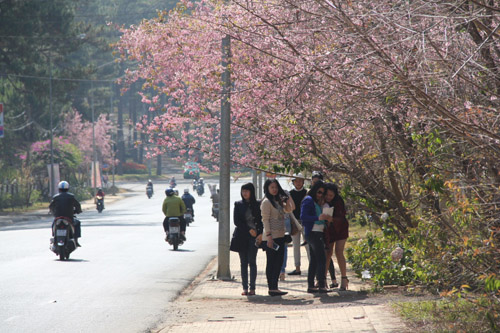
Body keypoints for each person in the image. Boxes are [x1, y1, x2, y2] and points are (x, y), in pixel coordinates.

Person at [261, 178, 294, 296]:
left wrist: (287, 196)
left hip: (280, 235)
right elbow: (265, 220)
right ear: (267, 189)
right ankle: (272, 287)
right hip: (271, 237)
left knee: (279, 262)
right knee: (271, 262)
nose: (274, 190)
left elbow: (290, 209)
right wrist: (269, 237)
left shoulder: (278, 201)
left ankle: (275, 287)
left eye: (276, 187)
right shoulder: (266, 202)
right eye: (272, 188)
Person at [300, 180, 332, 293]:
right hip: (313, 232)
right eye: (319, 192)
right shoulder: (308, 200)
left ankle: (311, 285)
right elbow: (303, 217)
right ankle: (321, 285)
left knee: (314, 260)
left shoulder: (314, 201)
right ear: (314, 190)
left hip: (317, 232)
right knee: (321, 259)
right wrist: (318, 218)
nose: (320, 195)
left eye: (322, 193)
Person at [232, 183, 263, 296]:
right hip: (242, 236)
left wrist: (260, 233)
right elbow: (237, 221)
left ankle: (252, 288)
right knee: (243, 262)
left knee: (252, 262)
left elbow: (261, 220)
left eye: (246, 191)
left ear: (251, 192)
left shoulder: (258, 204)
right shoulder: (238, 204)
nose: (244, 193)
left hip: (254, 237)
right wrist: (249, 229)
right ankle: (245, 288)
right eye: (243, 191)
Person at [324, 183, 350, 290]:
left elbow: (341, 216)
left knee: (339, 252)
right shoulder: (322, 201)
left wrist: (333, 219)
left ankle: (344, 278)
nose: (329, 197)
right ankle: (323, 279)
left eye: (331, 195)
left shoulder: (339, 201)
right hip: (329, 229)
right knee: (328, 253)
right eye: (327, 195)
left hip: (341, 228)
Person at [49, 181, 83, 247]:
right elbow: (77, 205)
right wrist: (78, 211)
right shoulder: (71, 196)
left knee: (53, 224)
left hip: (58, 218)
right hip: (69, 218)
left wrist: (53, 212)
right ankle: (76, 240)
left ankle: (54, 236)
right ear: (68, 188)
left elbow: (51, 206)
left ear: (59, 188)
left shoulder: (55, 197)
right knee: (77, 223)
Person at [288, 173, 308, 276]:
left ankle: (312, 267)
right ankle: (297, 268)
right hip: (294, 222)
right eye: (296, 181)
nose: (298, 183)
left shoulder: (307, 192)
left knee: (308, 245)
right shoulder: (290, 193)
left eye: (300, 180)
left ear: (303, 182)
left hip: (306, 222)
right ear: (293, 182)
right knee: (295, 246)